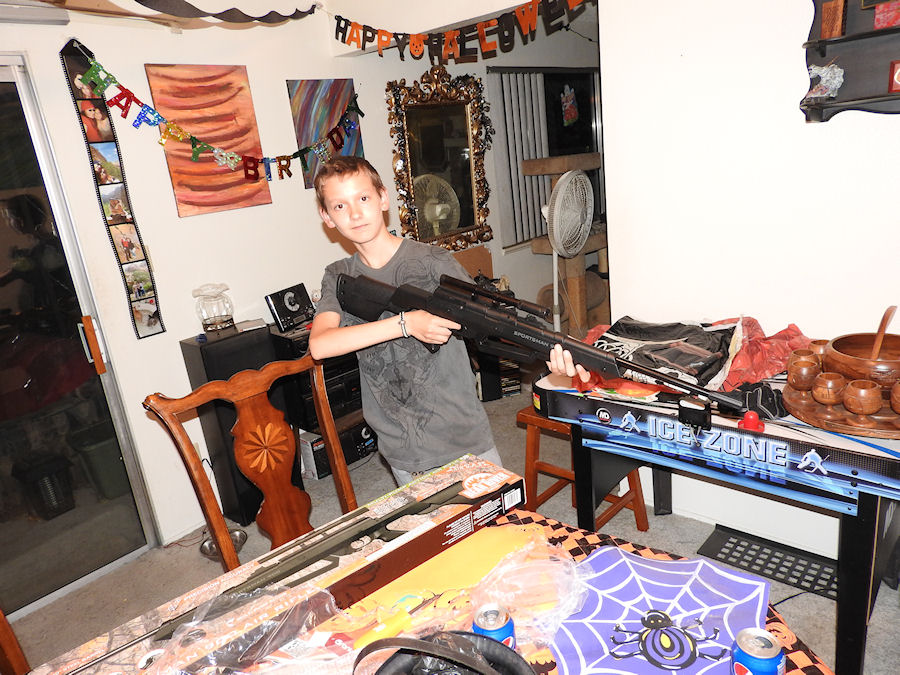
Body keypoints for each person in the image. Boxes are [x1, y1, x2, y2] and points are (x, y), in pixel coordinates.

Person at [308, 156, 508, 486]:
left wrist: (553, 356)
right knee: (430, 522)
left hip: (462, 434)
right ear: (327, 217)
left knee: (498, 518)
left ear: (383, 198)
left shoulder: (432, 261)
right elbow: (320, 345)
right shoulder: (339, 276)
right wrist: (405, 324)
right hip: (401, 448)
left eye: (363, 198)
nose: (355, 213)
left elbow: (491, 323)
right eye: (340, 206)